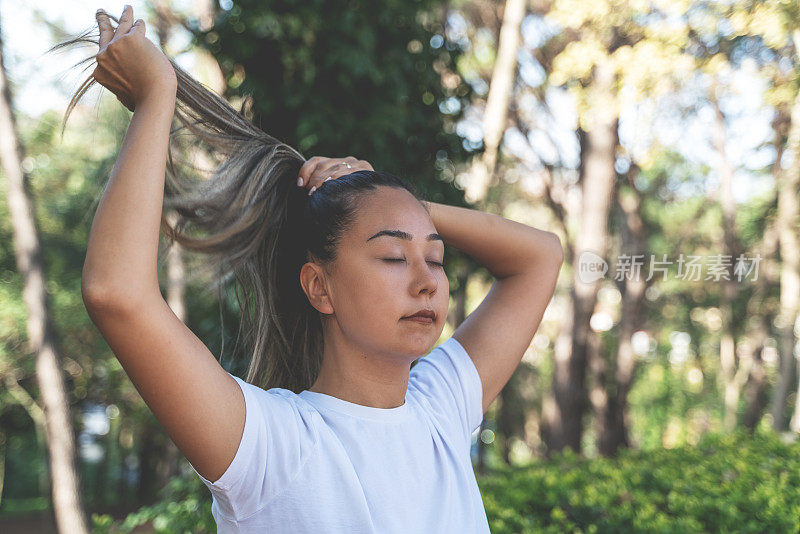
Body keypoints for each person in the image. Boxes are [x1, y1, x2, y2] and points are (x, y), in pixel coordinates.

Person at [61, 5, 563, 532]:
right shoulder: (272, 448)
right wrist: (155, 96)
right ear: (318, 287)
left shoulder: (441, 412)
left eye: (434, 258)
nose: (427, 282)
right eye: (393, 257)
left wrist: (389, 202)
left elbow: (540, 256)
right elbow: (116, 293)